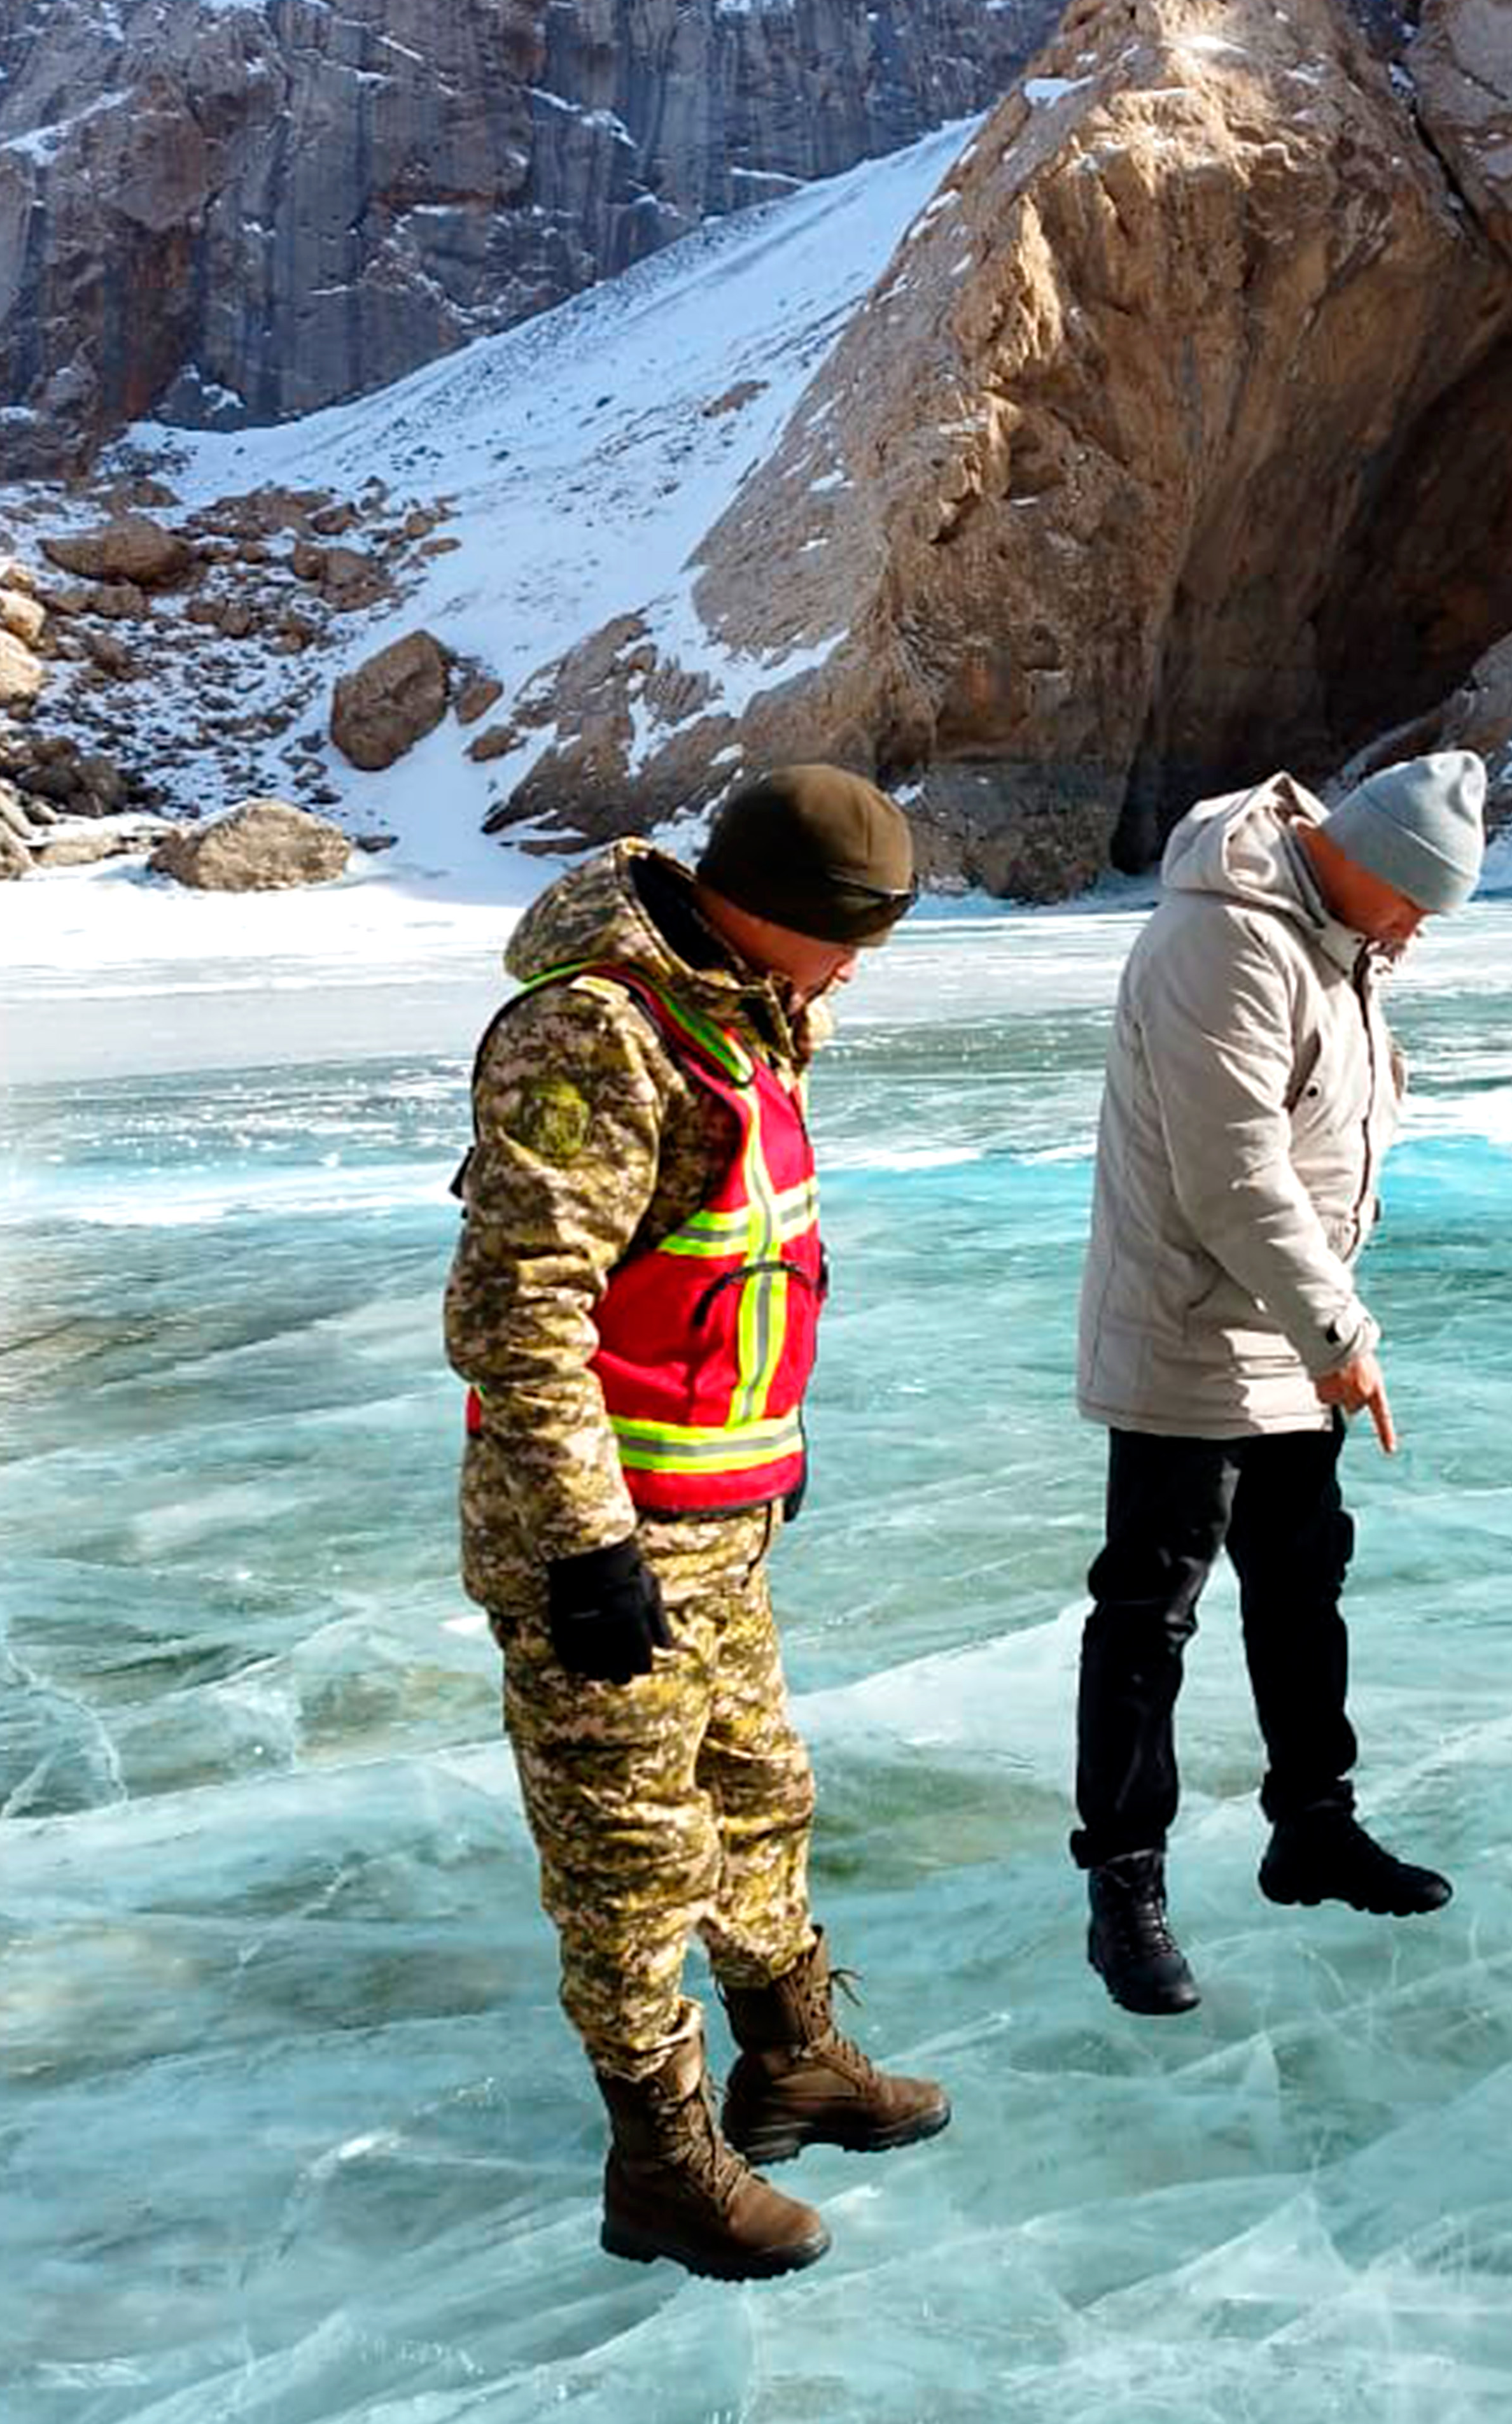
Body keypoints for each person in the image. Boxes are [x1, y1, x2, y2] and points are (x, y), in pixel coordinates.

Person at [444, 765, 952, 2283]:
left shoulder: (743, 1008)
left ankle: (792, 2059)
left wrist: (763, 1448)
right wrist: (587, 1544)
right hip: (600, 1538)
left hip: (714, 1516)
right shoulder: (595, 1031)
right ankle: (657, 2163)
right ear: (766, 912)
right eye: (847, 934)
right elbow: (518, 1308)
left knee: (756, 1791)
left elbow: (734, 1263)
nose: (857, 967)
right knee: (630, 1853)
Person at [1066, 751, 1487, 2015]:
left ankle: (1313, 1826)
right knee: (1150, 1615)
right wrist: (1337, 1329)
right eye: (1415, 902)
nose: (1417, 932)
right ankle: (1124, 1884)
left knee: (1304, 1590)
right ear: (1363, 863)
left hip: (1293, 1340)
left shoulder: (1340, 942)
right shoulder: (1227, 946)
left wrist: (1322, 1330)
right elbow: (1235, 1175)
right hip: (1192, 1334)